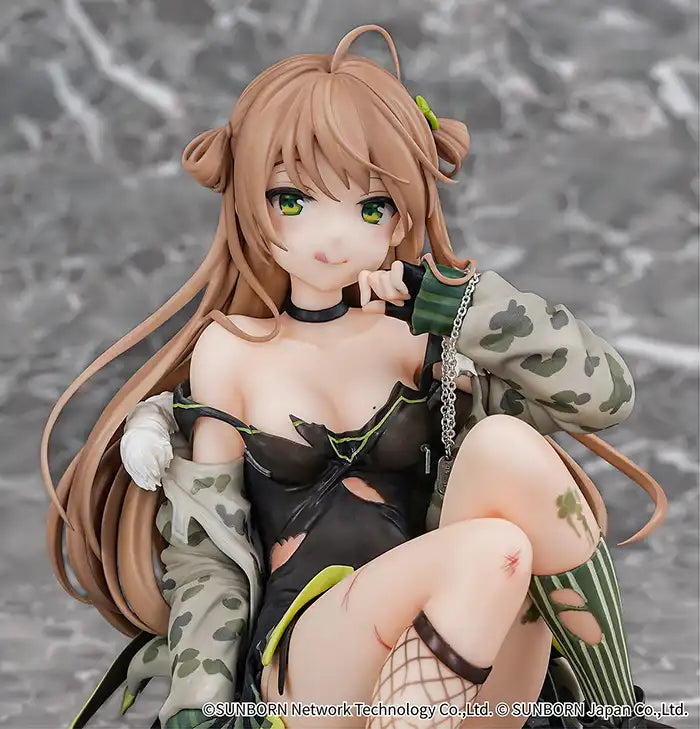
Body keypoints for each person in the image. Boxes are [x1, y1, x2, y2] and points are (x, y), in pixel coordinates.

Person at [40, 24, 669, 729]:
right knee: (493, 547)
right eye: (292, 199)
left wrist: (463, 307)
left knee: (507, 453)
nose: (333, 236)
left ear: (401, 216)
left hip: (470, 645)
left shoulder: (423, 339)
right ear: (247, 197)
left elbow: (606, 396)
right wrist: (198, 708)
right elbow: (206, 556)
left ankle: (615, 715)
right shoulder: (233, 352)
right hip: (314, 670)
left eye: (371, 207)